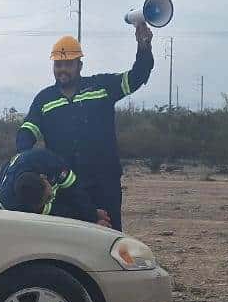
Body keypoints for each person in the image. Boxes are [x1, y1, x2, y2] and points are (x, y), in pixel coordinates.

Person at [15, 22, 155, 231]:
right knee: (72, 239)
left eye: (68, 64)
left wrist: (144, 47)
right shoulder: (44, 99)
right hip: (66, 185)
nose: (62, 69)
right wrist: (28, 161)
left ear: (79, 65)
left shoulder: (101, 87)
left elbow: (138, 76)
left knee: (109, 237)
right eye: (58, 65)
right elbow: (27, 132)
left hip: (104, 182)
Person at [0, 148, 111, 226]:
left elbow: (75, 191)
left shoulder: (47, 161)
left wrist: (92, 214)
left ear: (43, 177)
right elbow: (58, 213)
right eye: (47, 201)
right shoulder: (9, 202)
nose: (52, 197)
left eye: (49, 196)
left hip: (28, 165)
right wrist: (89, 224)